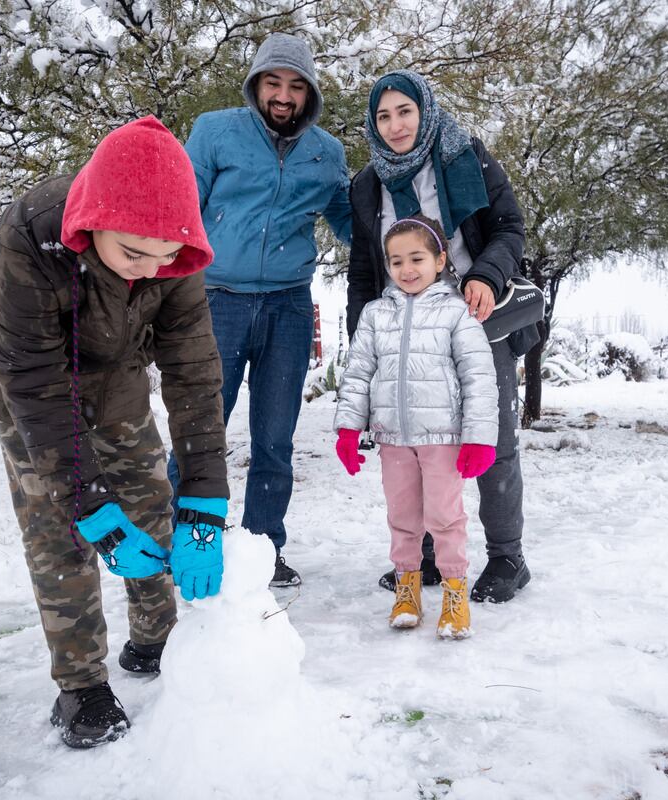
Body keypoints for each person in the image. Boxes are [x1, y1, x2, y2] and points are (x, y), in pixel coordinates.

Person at [0, 117, 229, 749]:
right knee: (60, 518)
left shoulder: (173, 250)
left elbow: (193, 373)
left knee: (144, 486)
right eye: (132, 253)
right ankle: (80, 684)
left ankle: (155, 634)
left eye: (163, 259)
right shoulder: (33, 237)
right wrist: (88, 505)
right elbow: (33, 379)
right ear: (91, 224)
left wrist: (204, 501)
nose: (148, 270)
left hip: (115, 360)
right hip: (21, 369)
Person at [346, 69, 531, 604]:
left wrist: (485, 276)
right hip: (403, 333)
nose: (396, 124)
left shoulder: (463, 154)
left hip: (474, 319)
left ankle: (507, 557)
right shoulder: (367, 185)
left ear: (424, 112)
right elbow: (364, 271)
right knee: (413, 443)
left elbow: (509, 228)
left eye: (405, 111)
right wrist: (367, 339)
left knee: (491, 439)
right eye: (383, 115)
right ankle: (424, 558)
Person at [177, 32, 352, 587]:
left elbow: (353, 225)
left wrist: (411, 233)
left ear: (310, 94)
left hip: (287, 308)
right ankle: (178, 539)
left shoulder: (328, 153)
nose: (283, 95)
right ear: (256, 85)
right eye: (273, 82)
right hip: (216, 302)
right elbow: (181, 210)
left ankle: (261, 550)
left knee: (275, 439)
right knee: (201, 433)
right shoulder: (214, 131)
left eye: (296, 86)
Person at [334, 215, 498, 638]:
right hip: (393, 437)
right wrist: (349, 429)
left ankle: (454, 593)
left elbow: (479, 375)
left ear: (440, 258)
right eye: (396, 261)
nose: (407, 269)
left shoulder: (456, 313)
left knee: (445, 517)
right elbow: (358, 372)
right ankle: (407, 588)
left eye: (417, 258)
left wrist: (479, 438)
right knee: (403, 516)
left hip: (442, 438)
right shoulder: (374, 314)